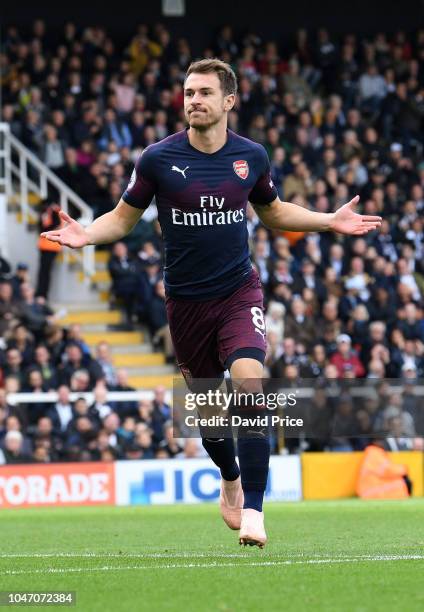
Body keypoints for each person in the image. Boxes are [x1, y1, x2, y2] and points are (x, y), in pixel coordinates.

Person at [41, 58, 381, 548]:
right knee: (211, 418)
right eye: (188, 92)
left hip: (239, 291)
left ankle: (257, 511)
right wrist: (87, 234)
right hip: (185, 303)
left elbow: (273, 212)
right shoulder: (157, 159)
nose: (193, 100)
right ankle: (230, 477)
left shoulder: (252, 156)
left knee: (250, 382)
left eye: (203, 92)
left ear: (229, 100)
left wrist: (329, 220)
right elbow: (121, 219)